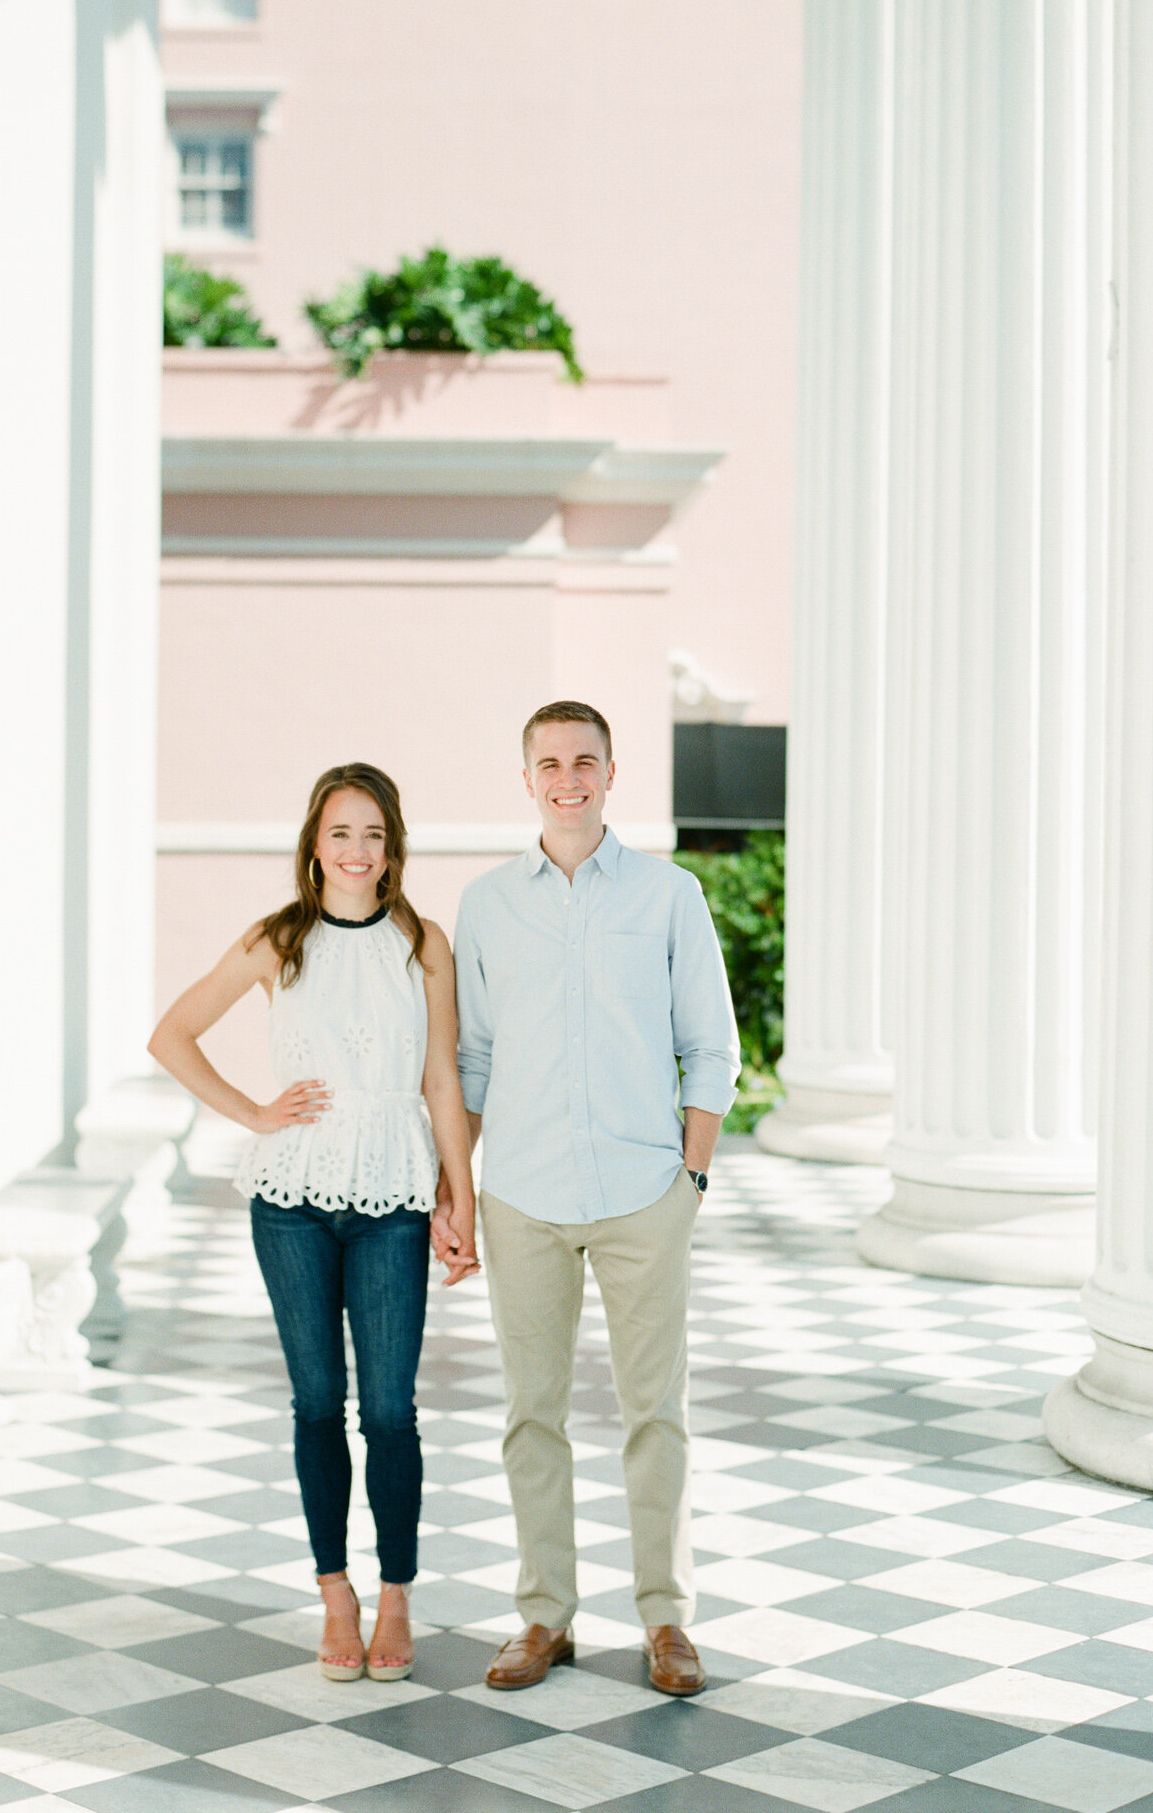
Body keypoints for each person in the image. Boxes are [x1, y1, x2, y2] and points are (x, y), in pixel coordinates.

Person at [432, 701, 739, 1696]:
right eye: (549, 762)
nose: (568, 777)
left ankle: (666, 1619)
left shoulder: (668, 892)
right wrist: (461, 1192)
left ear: (613, 772)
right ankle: (544, 1615)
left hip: (644, 1190)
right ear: (527, 778)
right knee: (534, 1415)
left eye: (585, 761)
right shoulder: (488, 903)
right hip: (522, 1190)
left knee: (657, 1412)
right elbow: (472, 1058)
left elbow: (714, 1042)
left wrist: (688, 1178)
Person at [148, 762, 479, 1682]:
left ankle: (397, 1595)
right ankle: (335, 1590)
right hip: (289, 1201)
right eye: (341, 833)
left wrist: (463, 1198)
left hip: (395, 1201)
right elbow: (171, 1035)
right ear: (314, 844)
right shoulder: (276, 941)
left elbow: (443, 1079)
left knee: (390, 1408)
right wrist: (254, 1112)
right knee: (316, 1404)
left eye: (374, 834)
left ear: (393, 845)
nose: (358, 851)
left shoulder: (423, 943)